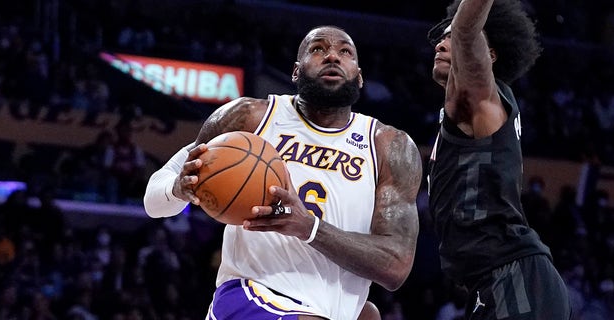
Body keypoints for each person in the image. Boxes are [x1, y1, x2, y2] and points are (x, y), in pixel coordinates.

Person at [143, 25, 423, 319]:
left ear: (360, 76)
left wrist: (308, 227)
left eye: (345, 52)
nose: (332, 57)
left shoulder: (388, 146)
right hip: (251, 294)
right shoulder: (251, 117)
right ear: (295, 72)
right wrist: (177, 188)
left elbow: (395, 266)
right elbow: (154, 200)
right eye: (318, 49)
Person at [425, 0, 572, 319]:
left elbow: (467, 30)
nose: (441, 43)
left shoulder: (481, 99)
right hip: (494, 279)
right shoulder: (466, 112)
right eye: (443, 37)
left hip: (512, 276)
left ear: (488, 56)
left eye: (449, 38)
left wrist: (464, 31)